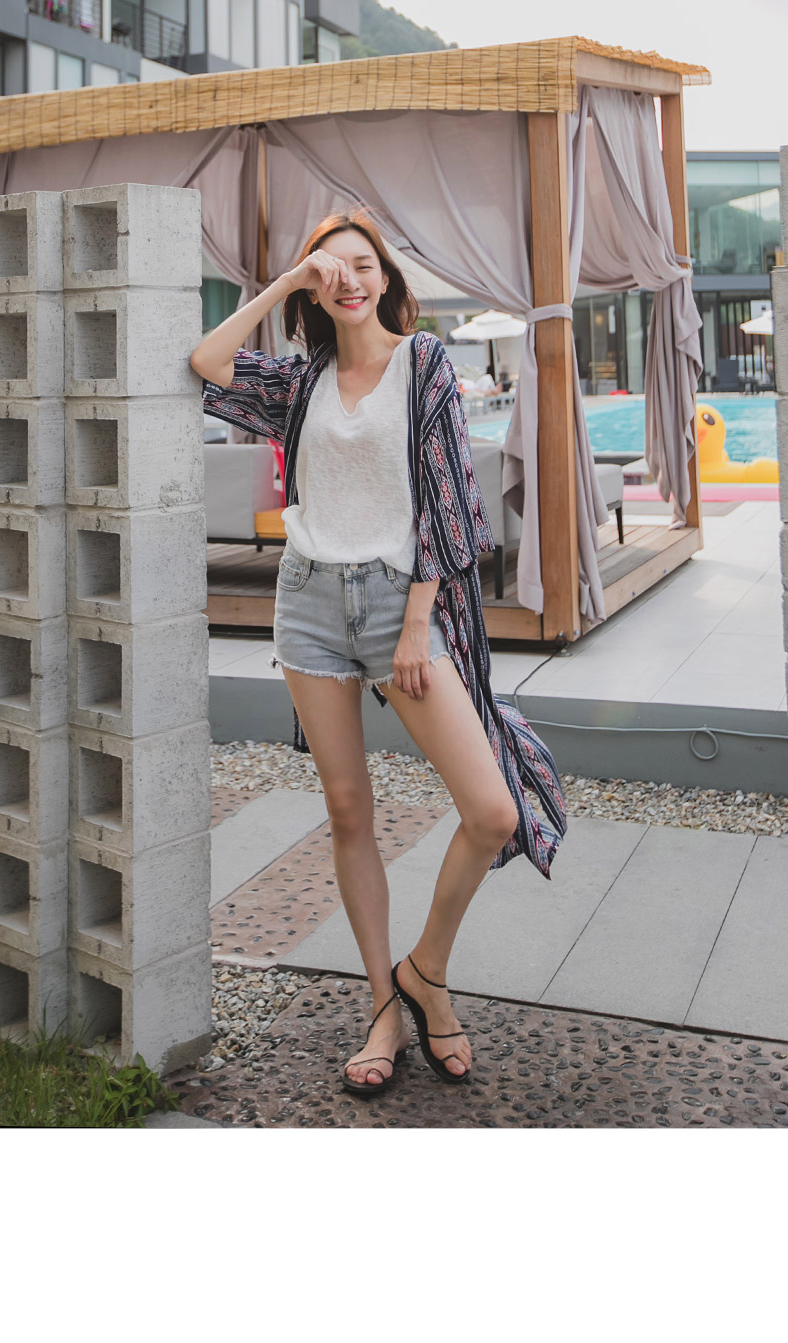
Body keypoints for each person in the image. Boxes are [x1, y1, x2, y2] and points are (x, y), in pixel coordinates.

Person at [191, 211, 567, 1096]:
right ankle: (383, 1007)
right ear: (316, 288)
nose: (348, 280)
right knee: (348, 810)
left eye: (362, 265)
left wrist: (412, 625)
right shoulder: (301, 379)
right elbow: (207, 363)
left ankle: (425, 970)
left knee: (491, 809)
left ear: (388, 278)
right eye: (331, 270)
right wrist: (286, 281)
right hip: (310, 603)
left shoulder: (423, 362)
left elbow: (448, 501)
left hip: (402, 604)